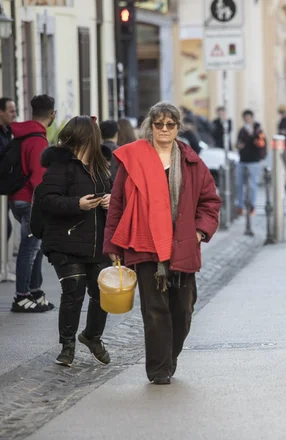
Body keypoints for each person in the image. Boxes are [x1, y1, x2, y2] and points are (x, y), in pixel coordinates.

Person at [104, 102, 220, 384]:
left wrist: (198, 232)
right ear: (150, 126)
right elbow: (117, 203)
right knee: (155, 311)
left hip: (182, 244)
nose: (165, 129)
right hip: (145, 245)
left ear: (178, 128)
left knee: (183, 309)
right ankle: (159, 369)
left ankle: (170, 355)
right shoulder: (134, 159)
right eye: (159, 124)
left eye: (170, 124)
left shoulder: (192, 162)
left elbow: (210, 202)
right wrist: (111, 245)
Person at [37, 116, 113, 366]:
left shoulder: (102, 165)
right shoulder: (60, 165)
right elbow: (47, 200)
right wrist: (76, 204)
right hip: (64, 240)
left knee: (103, 292)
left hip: (95, 240)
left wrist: (109, 200)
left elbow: (116, 194)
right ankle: (67, 345)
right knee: (74, 289)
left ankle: (92, 336)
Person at [9, 95, 56, 313]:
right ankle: (22, 296)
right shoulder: (38, 140)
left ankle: (34, 291)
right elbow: (39, 178)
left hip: (19, 198)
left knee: (35, 248)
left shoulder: (25, 135)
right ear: (52, 114)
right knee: (30, 248)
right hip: (30, 200)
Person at [235, 110, 266, 216]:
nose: (247, 120)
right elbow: (238, 143)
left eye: (248, 118)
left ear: (252, 118)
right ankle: (240, 206)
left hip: (254, 161)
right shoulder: (242, 130)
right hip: (243, 160)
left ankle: (252, 206)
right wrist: (239, 146)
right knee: (239, 184)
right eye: (245, 118)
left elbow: (261, 144)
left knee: (253, 185)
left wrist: (252, 135)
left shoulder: (258, 130)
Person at [0, 97, 17, 259]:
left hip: (5, 187)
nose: (15, 114)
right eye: (11, 111)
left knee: (5, 227)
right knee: (4, 228)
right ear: (1, 112)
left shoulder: (8, 131)